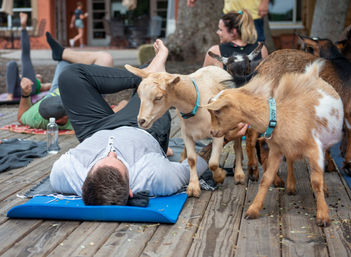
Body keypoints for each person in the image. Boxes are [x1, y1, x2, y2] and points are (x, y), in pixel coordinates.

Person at [49, 39, 220, 205]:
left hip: (94, 130)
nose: (111, 152)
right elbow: (190, 169)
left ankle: (148, 72)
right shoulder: (157, 177)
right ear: (131, 191)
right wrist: (225, 137)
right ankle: (152, 76)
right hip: (140, 129)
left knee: (70, 76)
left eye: (100, 161)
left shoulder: (63, 174)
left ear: (84, 182)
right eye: (117, 159)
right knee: (151, 93)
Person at [17, 32, 115, 130]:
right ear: (60, 120)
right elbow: (112, 120)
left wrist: (25, 94)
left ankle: (62, 53)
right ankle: (62, 53)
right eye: (69, 104)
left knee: (66, 60)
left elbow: (21, 118)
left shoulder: (36, 116)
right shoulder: (83, 120)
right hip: (87, 91)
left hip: (57, 89)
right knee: (105, 58)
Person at [5, 12, 51, 101]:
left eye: (39, 77)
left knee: (25, 57)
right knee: (12, 63)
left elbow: (52, 85)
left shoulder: (40, 85)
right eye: (38, 76)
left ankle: (23, 27)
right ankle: (23, 27)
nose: (38, 76)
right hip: (16, 88)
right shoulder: (27, 76)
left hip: (27, 89)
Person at [203, 10, 268, 68]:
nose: (217, 32)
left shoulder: (215, 51)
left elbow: (202, 79)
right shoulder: (261, 49)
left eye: (220, 30)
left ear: (232, 32)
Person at [187, 0, 269, 42]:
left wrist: (265, 2)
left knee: (256, 49)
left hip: (252, 15)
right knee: (228, 49)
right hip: (229, 14)